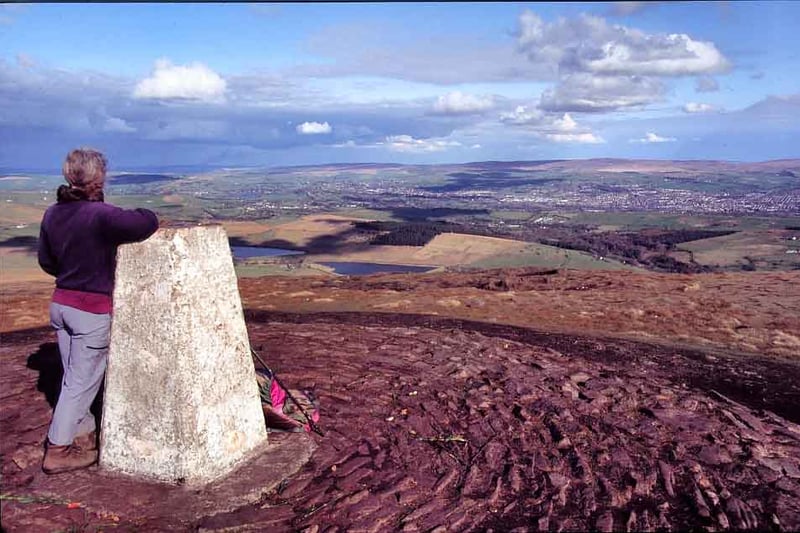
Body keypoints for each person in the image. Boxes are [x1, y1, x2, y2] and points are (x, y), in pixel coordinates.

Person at [37, 148, 159, 474]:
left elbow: (46, 261)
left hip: (60, 304)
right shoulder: (99, 215)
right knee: (80, 383)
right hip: (90, 310)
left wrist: (72, 273)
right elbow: (145, 222)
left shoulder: (52, 214)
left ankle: (85, 437)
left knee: (72, 378)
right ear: (97, 178)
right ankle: (58, 451)